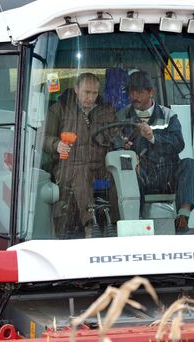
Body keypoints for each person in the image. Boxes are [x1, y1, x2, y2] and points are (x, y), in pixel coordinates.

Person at [117, 71, 194, 232]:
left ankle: (182, 217)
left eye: (139, 92)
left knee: (190, 164)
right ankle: (135, 223)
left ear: (151, 92)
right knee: (126, 172)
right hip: (139, 175)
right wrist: (122, 146)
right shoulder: (121, 116)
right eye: (131, 92)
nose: (134, 96)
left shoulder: (169, 115)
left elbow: (178, 144)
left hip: (167, 174)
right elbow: (111, 141)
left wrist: (153, 137)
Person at [43, 72, 117, 238]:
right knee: (81, 172)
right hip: (68, 166)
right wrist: (56, 144)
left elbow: (117, 135)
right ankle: (91, 226)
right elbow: (43, 137)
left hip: (100, 166)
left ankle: (118, 225)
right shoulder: (60, 108)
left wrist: (124, 142)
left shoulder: (107, 110)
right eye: (86, 92)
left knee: (118, 174)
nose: (90, 97)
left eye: (94, 93)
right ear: (76, 89)